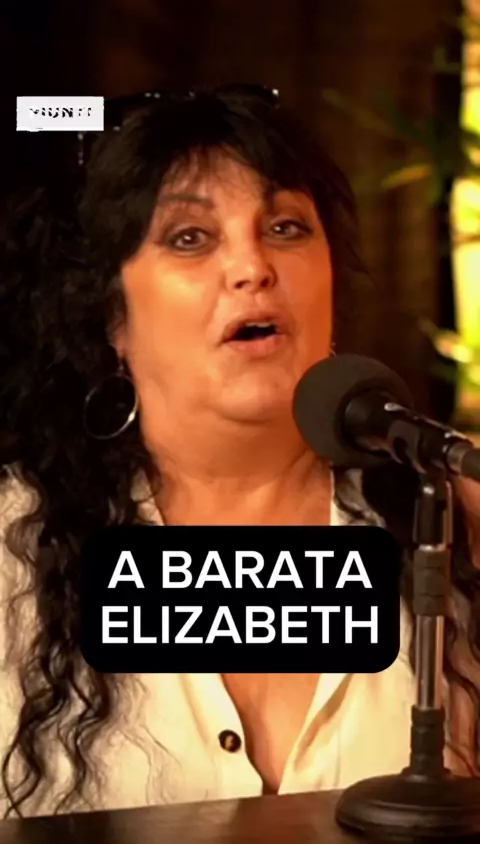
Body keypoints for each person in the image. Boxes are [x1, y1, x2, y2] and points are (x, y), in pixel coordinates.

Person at [0, 84, 479, 820]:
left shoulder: (448, 513)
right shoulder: (14, 552)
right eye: (189, 237)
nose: (253, 266)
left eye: (286, 227)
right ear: (110, 315)